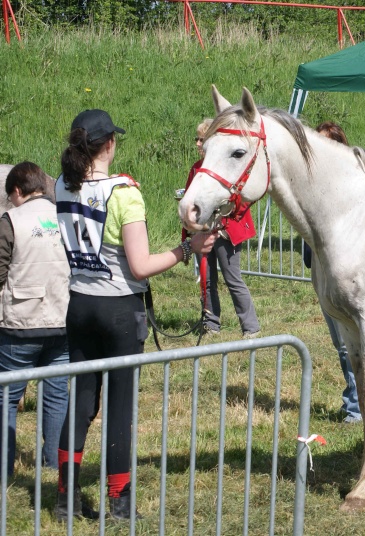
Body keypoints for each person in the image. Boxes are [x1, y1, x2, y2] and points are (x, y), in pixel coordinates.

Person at [54, 109, 216, 521]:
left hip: (79, 302)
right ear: (109, 144)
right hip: (119, 308)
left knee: (82, 401)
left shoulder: (61, 185)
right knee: (120, 406)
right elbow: (141, 265)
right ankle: (119, 500)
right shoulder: (124, 192)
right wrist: (187, 250)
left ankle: (65, 497)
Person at [0, 161, 69, 478]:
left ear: (17, 191)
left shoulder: (10, 220)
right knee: (56, 394)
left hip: (20, 324)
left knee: (8, 397)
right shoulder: (66, 217)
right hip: (62, 319)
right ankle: (54, 464)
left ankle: (5, 468)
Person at [304, 121, 360, 423]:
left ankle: (356, 406)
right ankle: (354, 401)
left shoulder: (348, 185)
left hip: (344, 274)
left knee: (347, 341)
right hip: (321, 271)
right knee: (340, 343)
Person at [183, 119, 261, 338]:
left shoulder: (231, 169)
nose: (198, 143)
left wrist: (224, 220)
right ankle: (211, 323)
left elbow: (244, 198)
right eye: (197, 139)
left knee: (232, 278)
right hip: (203, 232)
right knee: (207, 279)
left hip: (227, 232)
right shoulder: (196, 169)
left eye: (202, 139)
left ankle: (250, 326)